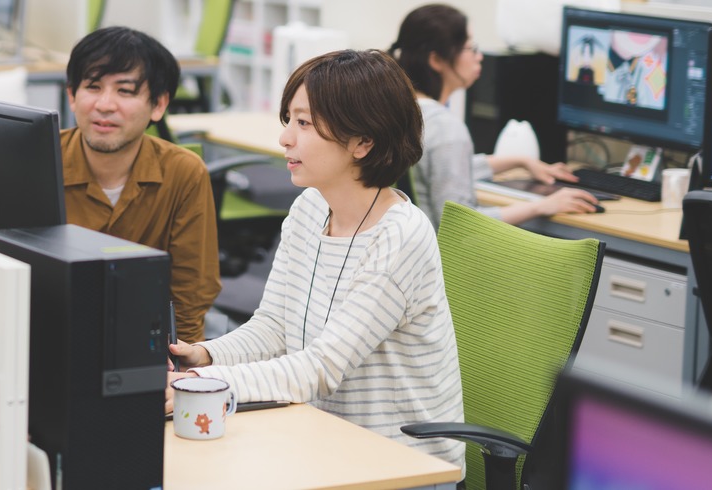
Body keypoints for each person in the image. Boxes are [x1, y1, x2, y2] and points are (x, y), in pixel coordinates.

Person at [167, 49, 466, 469]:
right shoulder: (310, 208)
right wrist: (204, 356)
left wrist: (199, 383)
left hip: (401, 465)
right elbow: (274, 328)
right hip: (323, 440)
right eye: (288, 120)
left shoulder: (400, 237)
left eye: (304, 123)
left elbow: (321, 368)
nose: (285, 138)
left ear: (363, 141)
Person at [61, 27, 220, 343]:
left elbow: (191, 292)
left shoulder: (183, 173)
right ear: (72, 97)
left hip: (141, 341)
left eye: (125, 91)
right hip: (51, 332)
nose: (105, 105)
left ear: (158, 105)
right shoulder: (39, 158)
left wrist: (183, 369)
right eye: (93, 86)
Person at [390, 4, 599, 229]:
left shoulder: (402, 109)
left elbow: (445, 169)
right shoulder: (445, 127)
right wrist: (541, 206)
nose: (479, 57)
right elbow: (460, 224)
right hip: (441, 259)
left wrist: (520, 161)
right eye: (471, 48)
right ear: (437, 60)